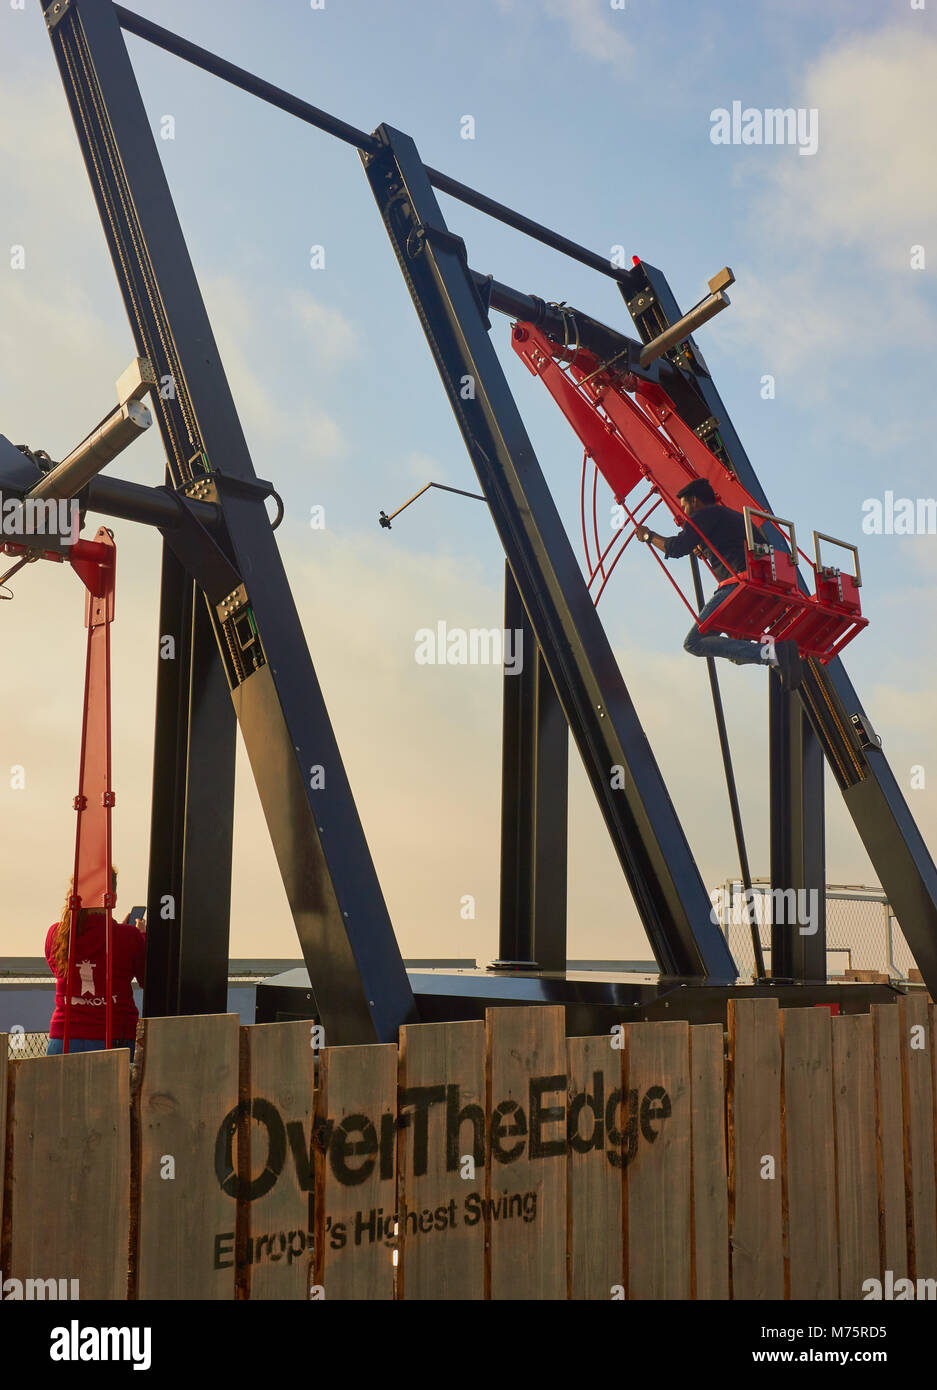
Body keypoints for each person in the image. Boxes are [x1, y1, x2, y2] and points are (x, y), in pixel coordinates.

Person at [635, 478, 804, 689]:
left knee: (694, 643)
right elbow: (732, 543)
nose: (686, 513)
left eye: (685, 506)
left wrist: (649, 536)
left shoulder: (702, 515)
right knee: (730, 649)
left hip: (737, 584)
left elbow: (676, 547)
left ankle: (771, 654)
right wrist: (704, 546)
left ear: (695, 501)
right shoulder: (736, 516)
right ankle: (774, 657)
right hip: (764, 583)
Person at [45, 867, 146, 1060]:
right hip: (114, 1037)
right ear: (112, 896)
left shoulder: (56, 934)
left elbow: (60, 971)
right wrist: (141, 935)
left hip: (63, 1037)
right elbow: (145, 978)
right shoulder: (129, 937)